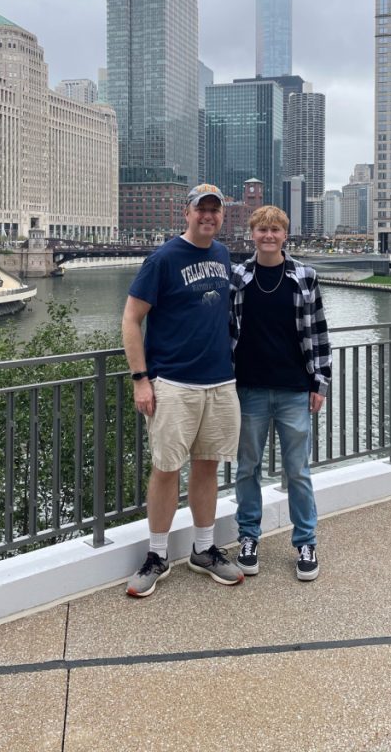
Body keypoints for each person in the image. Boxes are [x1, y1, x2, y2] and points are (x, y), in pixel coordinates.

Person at [122, 183, 244, 597]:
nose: (208, 216)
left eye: (215, 211)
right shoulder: (163, 259)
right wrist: (141, 378)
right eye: (201, 210)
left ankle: (204, 549)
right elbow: (130, 319)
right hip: (172, 383)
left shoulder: (223, 255)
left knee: (207, 465)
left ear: (221, 217)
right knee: (166, 469)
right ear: (186, 213)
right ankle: (157, 555)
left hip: (220, 381)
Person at [230, 205, 332, 581]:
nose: (268, 236)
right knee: (247, 469)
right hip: (249, 389)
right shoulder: (237, 276)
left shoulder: (304, 276)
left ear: (285, 235)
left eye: (275, 230)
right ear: (252, 234)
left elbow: (319, 333)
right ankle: (248, 537)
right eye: (262, 230)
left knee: (298, 471)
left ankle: (306, 541)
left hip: (293, 390)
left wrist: (319, 382)